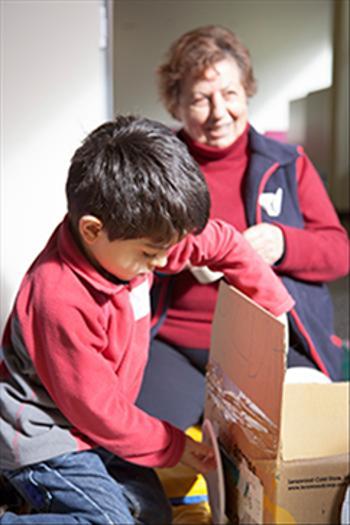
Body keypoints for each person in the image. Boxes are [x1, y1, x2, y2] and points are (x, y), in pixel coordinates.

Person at [0, 115, 294, 524]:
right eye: (150, 254)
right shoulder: (59, 298)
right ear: (92, 230)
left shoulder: (140, 239)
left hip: (98, 428)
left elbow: (224, 242)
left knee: (153, 514)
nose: (162, 262)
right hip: (48, 437)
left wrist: (273, 309)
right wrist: (174, 446)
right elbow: (97, 412)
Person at [136, 25, 349, 431]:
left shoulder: (288, 163)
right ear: (176, 105)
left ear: (247, 91)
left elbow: (339, 254)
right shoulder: (155, 167)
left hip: (270, 343)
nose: (219, 113)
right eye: (200, 99)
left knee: (315, 435)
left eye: (230, 94)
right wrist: (172, 252)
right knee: (144, 453)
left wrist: (283, 244)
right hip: (172, 343)